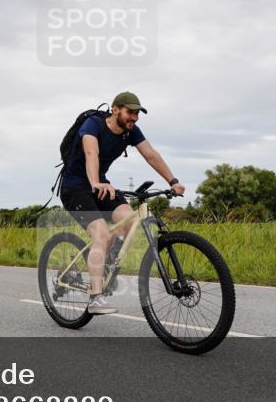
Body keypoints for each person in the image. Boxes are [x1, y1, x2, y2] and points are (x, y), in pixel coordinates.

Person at [60, 92, 186, 314]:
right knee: (101, 234)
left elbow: (150, 155)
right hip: (76, 187)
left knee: (129, 220)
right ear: (115, 109)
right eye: (130, 112)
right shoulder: (93, 124)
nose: (134, 118)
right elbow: (91, 152)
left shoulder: (131, 131)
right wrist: (95, 182)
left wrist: (172, 181)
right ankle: (95, 298)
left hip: (101, 185)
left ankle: (104, 264)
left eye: (137, 114)